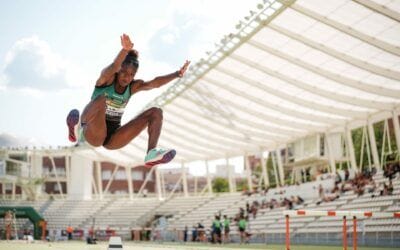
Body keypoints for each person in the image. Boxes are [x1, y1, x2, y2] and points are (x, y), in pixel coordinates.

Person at [66, 33, 190, 167]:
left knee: (156, 112)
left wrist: (177, 74)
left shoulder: (132, 87)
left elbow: (154, 83)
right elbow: (113, 66)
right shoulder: (106, 79)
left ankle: (151, 153)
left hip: (114, 138)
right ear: (119, 71)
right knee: (102, 99)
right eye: (124, 72)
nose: (127, 77)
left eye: (131, 75)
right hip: (93, 133)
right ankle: (77, 126)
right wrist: (124, 50)